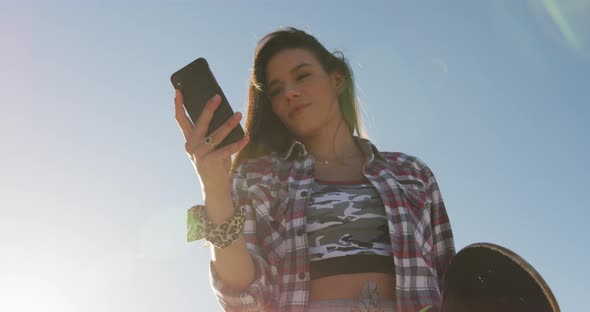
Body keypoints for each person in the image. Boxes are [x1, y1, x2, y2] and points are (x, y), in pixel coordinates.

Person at [175, 27, 456, 312]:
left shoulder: (411, 173)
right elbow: (242, 299)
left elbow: (452, 285)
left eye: (302, 76)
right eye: (276, 90)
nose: (290, 92)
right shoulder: (258, 177)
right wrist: (214, 188)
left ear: (337, 79)